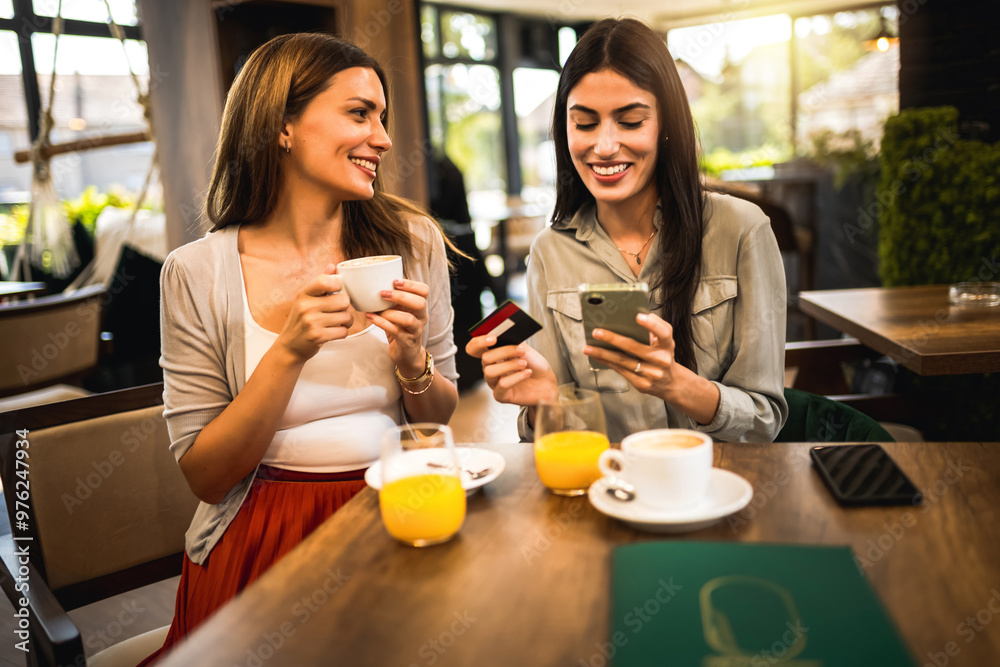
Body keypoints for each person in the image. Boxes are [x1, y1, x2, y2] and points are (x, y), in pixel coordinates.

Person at [141, 33, 459, 663]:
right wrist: (288, 351)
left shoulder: (413, 242)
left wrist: (411, 361)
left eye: (383, 118)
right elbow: (207, 476)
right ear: (282, 126)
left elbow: (438, 420)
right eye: (359, 113)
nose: (383, 139)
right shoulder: (195, 272)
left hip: (397, 507)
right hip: (265, 532)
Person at [467, 18, 787, 444]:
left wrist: (677, 383)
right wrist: (543, 404)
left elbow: (765, 420)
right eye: (584, 123)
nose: (604, 146)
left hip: (713, 479)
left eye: (631, 121)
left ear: (666, 125)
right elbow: (561, 439)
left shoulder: (742, 230)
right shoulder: (550, 252)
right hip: (606, 480)